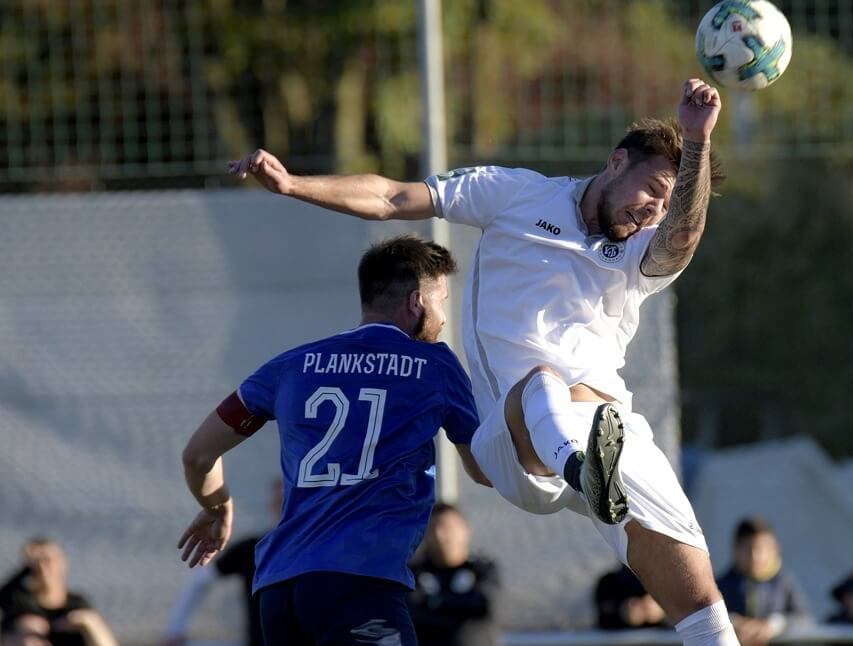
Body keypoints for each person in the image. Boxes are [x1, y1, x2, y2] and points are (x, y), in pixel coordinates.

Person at [229, 78, 735, 646]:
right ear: (617, 162)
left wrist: (698, 144)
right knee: (544, 380)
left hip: (612, 433)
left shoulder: (645, 248)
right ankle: (578, 467)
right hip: (517, 443)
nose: (656, 211)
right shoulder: (516, 194)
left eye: (668, 202)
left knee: (703, 604)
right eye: (653, 189)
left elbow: (684, 234)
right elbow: (395, 198)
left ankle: (594, 471)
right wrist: (293, 184)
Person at [175, 235, 488, 646]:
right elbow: (485, 469)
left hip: (279, 593)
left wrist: (216, 506)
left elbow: (198, 454)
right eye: (441, 301)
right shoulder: (435, 366)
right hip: (361, 587)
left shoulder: (291, 365)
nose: (443, 318)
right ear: (416, 302)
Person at [162, 479, 283, 646]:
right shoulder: (254, 549)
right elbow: (200, 579)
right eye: (279, 503)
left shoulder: (320, 549)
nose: (284, 509)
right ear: (271, 506)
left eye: (288, 502)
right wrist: (174, 631)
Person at [407, 503, 501, 646]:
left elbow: (484, 604)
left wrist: (434, 601)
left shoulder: (482, 568)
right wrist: (459, 604)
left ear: (465, 530)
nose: (440, 535)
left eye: (447, 528)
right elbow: (413, 611)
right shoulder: (413, 571)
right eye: (433, 528)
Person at [0, 538, 117, 646]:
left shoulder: (76, 604)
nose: (42, 568)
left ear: (62, 562)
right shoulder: (18, 600)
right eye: (35, 563)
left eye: (48, 560)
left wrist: (87, 622)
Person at [715, 518, 811, 646]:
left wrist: (773, 625)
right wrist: (731, 623)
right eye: (748, 549)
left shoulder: (784, 583)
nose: (755, 557)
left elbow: (804, 619)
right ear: (735, 549)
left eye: (761, 548)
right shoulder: (720, 585)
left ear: (775, 548)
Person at [594, 563, 667, 630]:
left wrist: (663, 611)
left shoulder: (664, 580)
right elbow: (603, 618)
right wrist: (622, 611)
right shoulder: (607, 583)